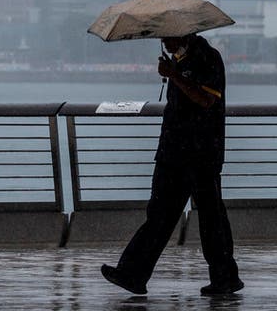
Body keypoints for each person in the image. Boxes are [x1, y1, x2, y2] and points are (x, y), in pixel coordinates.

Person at [101, 33, 243, 296]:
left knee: (211, 218)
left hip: (201, 154)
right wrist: (173, 72)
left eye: (168, 36)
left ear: (184, 32)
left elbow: (206, 100)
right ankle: (133, 273)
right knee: (160, 215)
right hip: (174, 151)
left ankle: (225, 277)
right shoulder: (179, 59)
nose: (164, 41)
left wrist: (174, 75)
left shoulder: (207, 58)